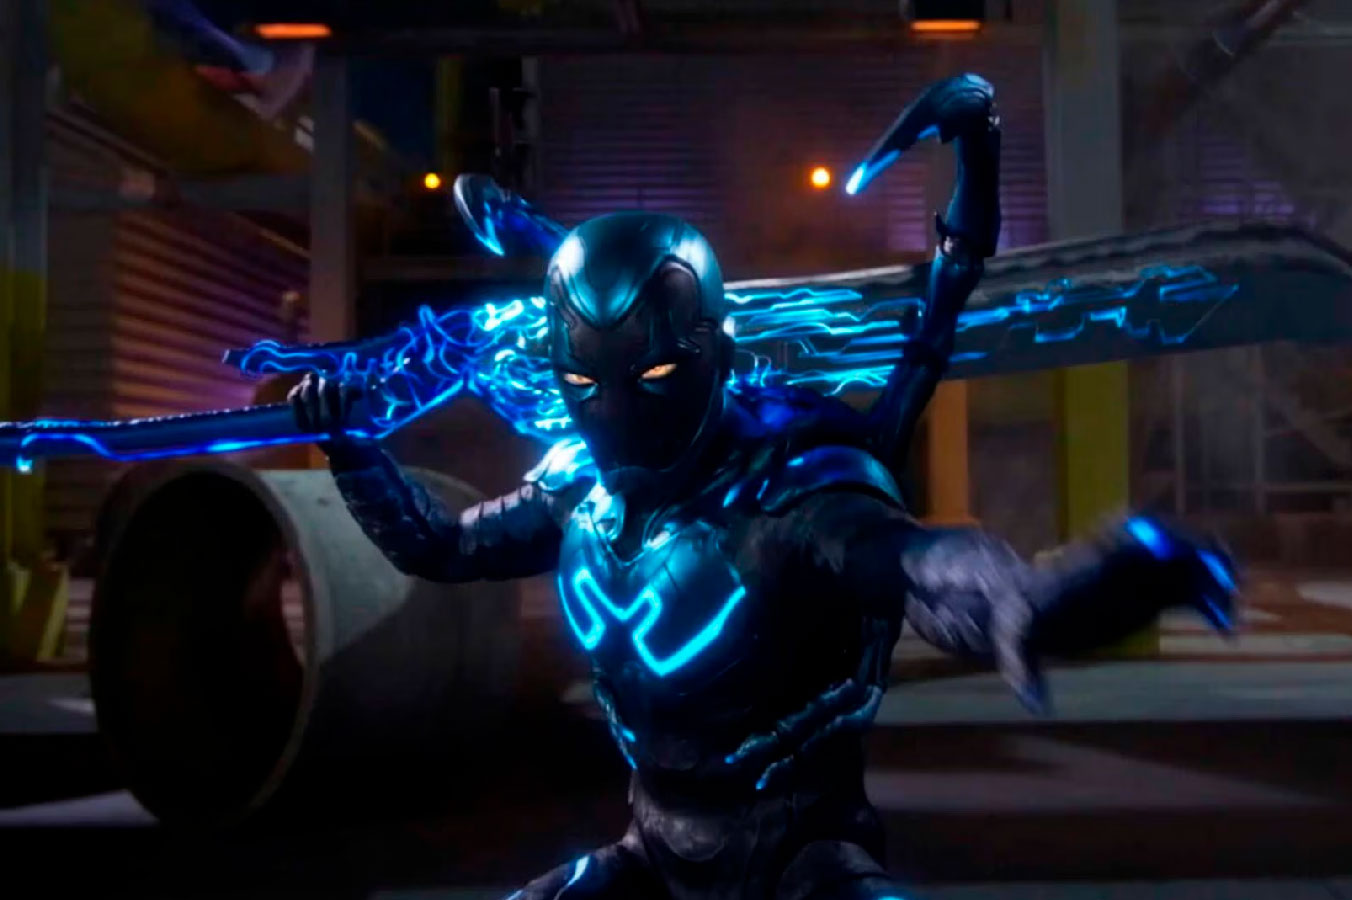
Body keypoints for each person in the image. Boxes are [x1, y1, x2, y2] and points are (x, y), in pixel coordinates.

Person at [290, 74, 1237, 900]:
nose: (615, 412)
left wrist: (1024, 597)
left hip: (805, 861)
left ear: (715, 354)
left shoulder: (791, 497)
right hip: (650, 855)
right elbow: (441, 546)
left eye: (654, 376)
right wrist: (353, 448)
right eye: (583, 382)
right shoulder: (580, 491)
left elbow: (913, 563)